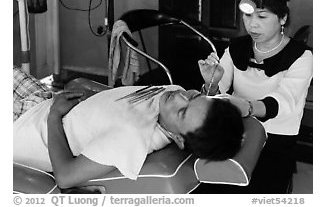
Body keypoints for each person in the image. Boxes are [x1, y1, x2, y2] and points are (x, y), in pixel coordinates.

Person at [13, 56, 244, 190]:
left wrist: (54, 117)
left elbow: (65, 177)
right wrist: (210, 88)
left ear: (179, 138)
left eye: (182, 112)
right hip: (42, 100)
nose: (181, 97)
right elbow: (196, 106)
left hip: (23, 127)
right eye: (194, 97)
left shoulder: (130, 136)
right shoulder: (173, 99)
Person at [196, 0, 313, 194]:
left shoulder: (302, 57)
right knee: (208, 187)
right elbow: (216, 93)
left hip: (276, 139)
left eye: (262, 16)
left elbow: (284, 102)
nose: (252, 24)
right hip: (236, 131)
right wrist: (211, 83)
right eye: (247, 15)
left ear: (282, 18)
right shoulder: (236, 48)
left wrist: (247, 107)